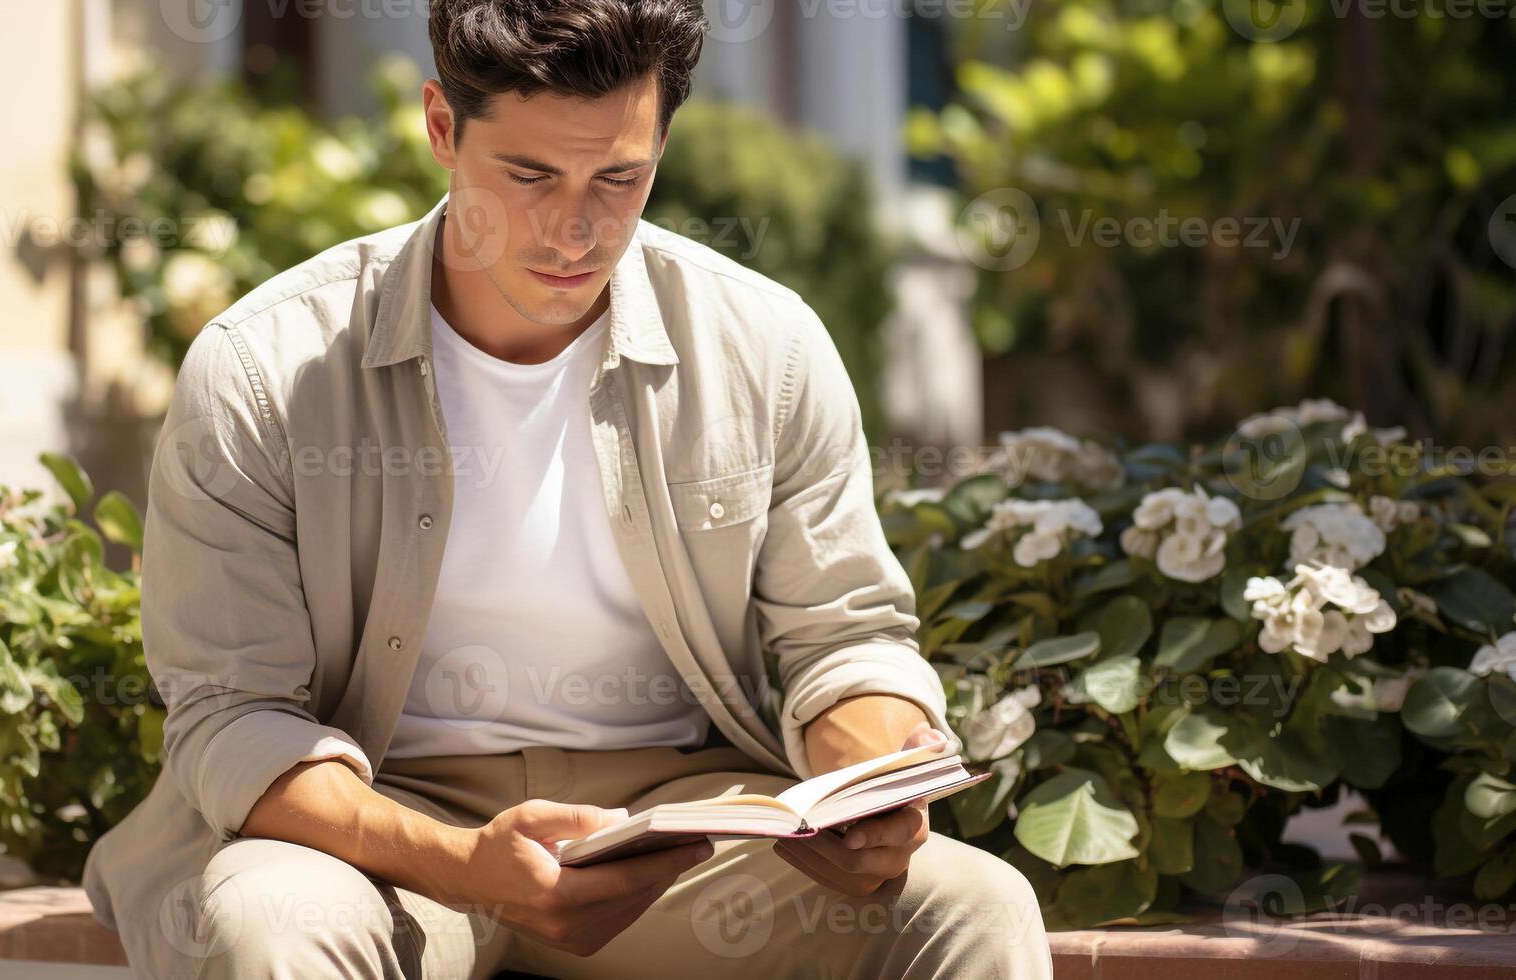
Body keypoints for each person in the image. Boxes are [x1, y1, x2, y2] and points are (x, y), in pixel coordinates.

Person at [82, 1, 1051, 976]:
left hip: (681, 841)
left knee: (974, 907)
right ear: (440, 128)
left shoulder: (767, 347)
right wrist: (462, 863)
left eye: (619, 178)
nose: (573, 230)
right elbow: (231, 717)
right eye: (529, 175)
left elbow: (840, 635)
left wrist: (866, 777)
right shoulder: (262, 367)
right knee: (273, 924)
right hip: (383, 827)